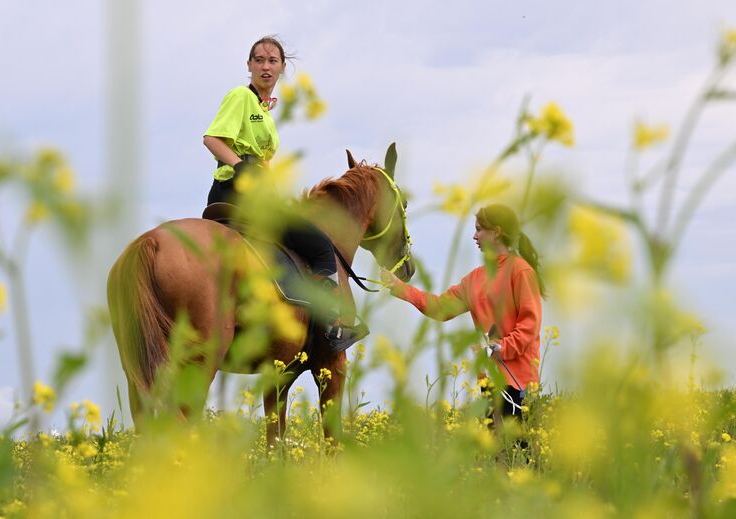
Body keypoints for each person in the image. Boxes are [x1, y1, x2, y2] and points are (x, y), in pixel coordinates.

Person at [203, 36, 366, 350]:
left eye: (272, 61)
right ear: (249, 65)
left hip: (256, 192)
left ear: (281, 68)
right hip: (238, 190)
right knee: (320, 245)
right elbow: (212, 139)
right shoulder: (241, 96)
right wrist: (241, 164)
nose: (266, 66)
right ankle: (331, 325)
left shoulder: (264, 111)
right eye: (259, 60)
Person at [381, 203, 545, 420]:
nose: (474, 236)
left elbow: (529, 326)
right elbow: (439, 308)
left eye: (479, 229)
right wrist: (399, 287)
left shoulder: (521, 271)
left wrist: (501, 347)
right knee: (497, 452)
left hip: (518, 380)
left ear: (496, 233)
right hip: (489, 380)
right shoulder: (475, 279)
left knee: (517, 451)